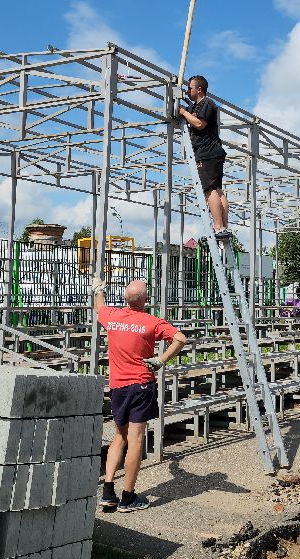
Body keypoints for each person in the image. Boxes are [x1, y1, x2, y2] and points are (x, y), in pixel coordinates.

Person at [93, 277, 186, 513]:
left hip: (118, 387)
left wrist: (99, 288)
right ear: (145, 299)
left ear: (126, 298)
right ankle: (128, 496)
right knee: (135, 440)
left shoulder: (112, 317)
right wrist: (161, 360)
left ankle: (107, 491)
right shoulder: (150, 322)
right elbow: (180, 338)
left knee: (119, 436)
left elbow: (99, 307)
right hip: (141, 385)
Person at [179, 74, 229, 238]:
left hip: (207, 153)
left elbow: (199, 124)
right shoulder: (197, 106)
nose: (188, 91)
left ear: (199, 89)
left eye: (190, 88)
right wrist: (185, 111)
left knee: (208, 189)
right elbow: (193, 116)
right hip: (212, 153)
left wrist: (182, 112)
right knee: (217, 190)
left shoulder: (207, 103)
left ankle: (218, 226)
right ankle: (223, 226)